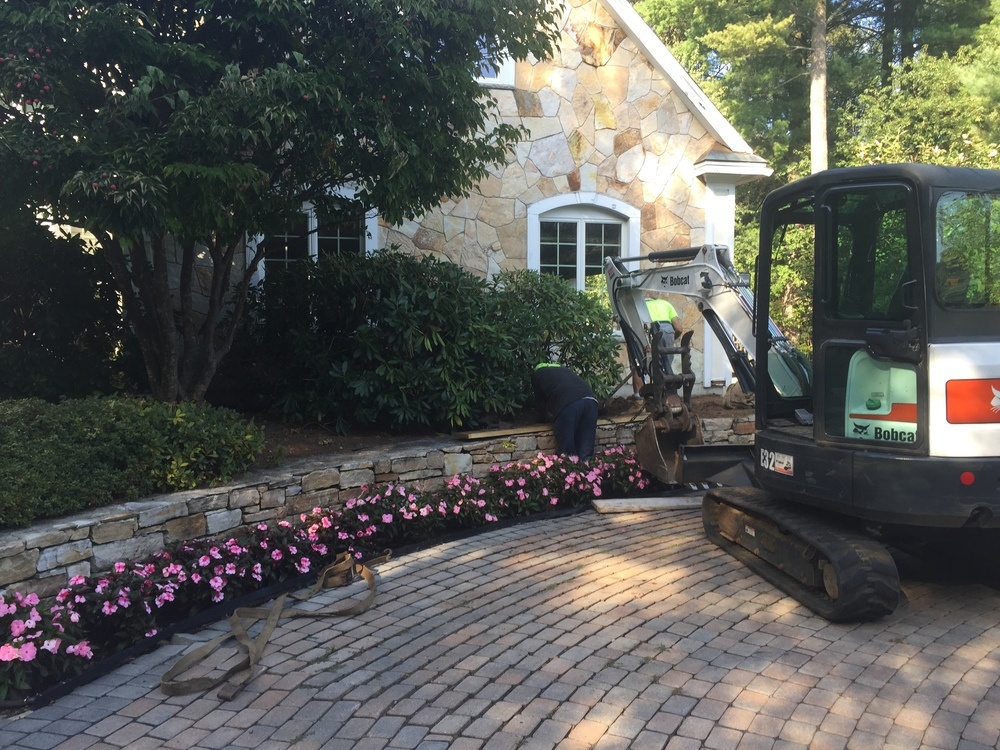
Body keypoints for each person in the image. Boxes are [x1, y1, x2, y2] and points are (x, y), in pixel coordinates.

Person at [531, 363, 599, 461]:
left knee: (566, 450)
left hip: (569, 404)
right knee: (586, 448)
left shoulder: (538, 375)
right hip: (591, 401)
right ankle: (587, 467)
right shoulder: (565, 371)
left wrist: (542, 418)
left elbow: (541, 401)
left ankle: (569, 467)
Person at [631, 297, 683, 396]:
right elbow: (679, 328)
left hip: (651, 331)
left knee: (646, 364)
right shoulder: (666, 304)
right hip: (668, 330)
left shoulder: (642, 306)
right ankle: (669, 392)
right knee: (667, 365)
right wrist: (671, 339)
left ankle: (643, 396)